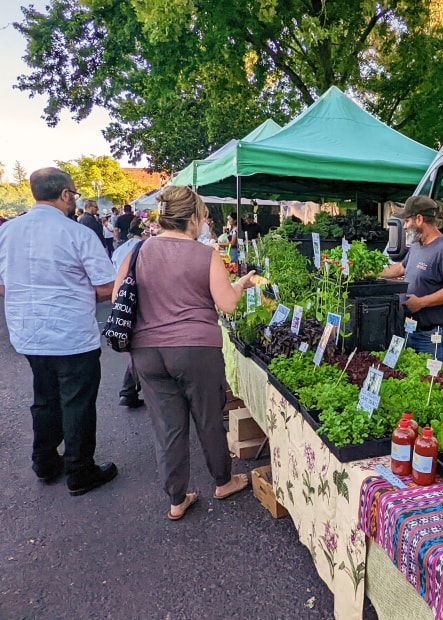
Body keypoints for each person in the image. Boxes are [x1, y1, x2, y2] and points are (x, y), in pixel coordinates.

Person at [113, 186, 256, 520]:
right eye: (204, 216)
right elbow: (228, 304)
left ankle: (177, 500)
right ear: (192, 217)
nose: (205, 223)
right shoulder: (204, 254)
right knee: (208, 417)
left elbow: (120, 294)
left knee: (167, 425)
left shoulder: (137, 250)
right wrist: (240, 285)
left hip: (147, 352)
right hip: (196, 349)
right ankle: (223, 482)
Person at [0, 167, 118, 495]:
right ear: (66, 194)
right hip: (70, 333)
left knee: (45, 397)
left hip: (27, 332)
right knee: (76, 401)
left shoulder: (8, 231)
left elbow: (2, 284)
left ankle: (45, 462)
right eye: (75, 194)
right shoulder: (76, 233)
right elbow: (107, 287)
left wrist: (30, 291)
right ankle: (80, 471)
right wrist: (71, 290)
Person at [379, 195, 443, 364]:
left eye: (407, 221)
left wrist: (422, 302)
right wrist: (373, 273)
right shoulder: (417, 246)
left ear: (419, 219)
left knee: (431, 385)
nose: (404, 226)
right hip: (411, 329)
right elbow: (401, 268)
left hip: (433, 336)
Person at [112, 217, 145, 408]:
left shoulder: (120, 250)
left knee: (135, 350)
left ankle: (128, 391)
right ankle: (128, 390)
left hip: (125, 302)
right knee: (140, 351)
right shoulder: (143, 249)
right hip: (141, 301)